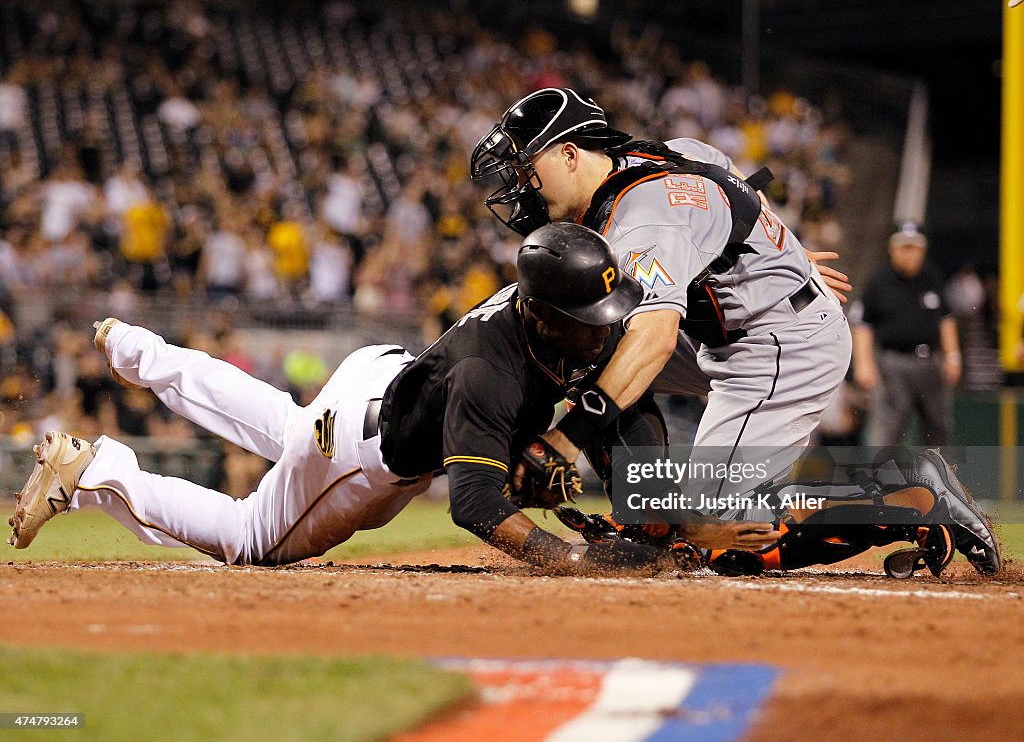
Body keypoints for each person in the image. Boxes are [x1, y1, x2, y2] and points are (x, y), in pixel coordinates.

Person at [8, 223, 776, 572]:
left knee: (284, 425)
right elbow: (477, 506)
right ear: (543, 313)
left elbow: (629, 412)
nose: (602, 333)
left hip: (382, 377)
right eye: (589, 322)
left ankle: (136, 348)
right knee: (251, 539)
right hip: (366, 452)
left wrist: (650, 521)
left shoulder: (554, 309)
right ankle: (101, 468)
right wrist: (575, 557)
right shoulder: (494, 371)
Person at [470, 88, 999, 577]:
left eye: (525, 166)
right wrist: (777, 253)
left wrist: (565, 440)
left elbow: (652, 341)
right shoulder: (660, 153)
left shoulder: (643, 222)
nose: (518, 184)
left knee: (716, 536)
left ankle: (909, 497)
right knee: (582, 342)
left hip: (776, 346)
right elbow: (730, 186)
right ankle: (645, 511)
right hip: (731, 329)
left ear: (568, 153)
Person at [851, 223, 961, 446]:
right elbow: (863, 324)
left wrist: (953, 355)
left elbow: (945, 318)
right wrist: (863, 363)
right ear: (893, 249)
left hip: (931, 362)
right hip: (893, 363)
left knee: (938, 426)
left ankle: (935, 477)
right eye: (904, 247)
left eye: (914, 248)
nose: (909, 253)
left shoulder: (933, 277)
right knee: (888, 428)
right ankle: (883, 479)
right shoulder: (879, 281)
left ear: (922, 250)